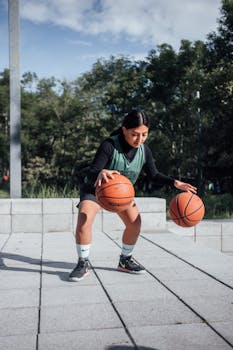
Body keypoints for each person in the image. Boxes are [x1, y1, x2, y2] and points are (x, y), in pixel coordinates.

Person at [69, 110, 197, 281]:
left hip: (121, 194)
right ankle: (82, 262)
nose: (140, 139)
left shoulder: (144, 151)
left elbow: (154, 175)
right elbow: (92, 171)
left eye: (144, 134)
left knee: (135, 223)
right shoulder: (109, 145)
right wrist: (101, 171)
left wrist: (175, 182)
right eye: (134, 134)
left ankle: (125, 260)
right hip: (95, 189)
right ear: (124, 130)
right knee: (84, 219)